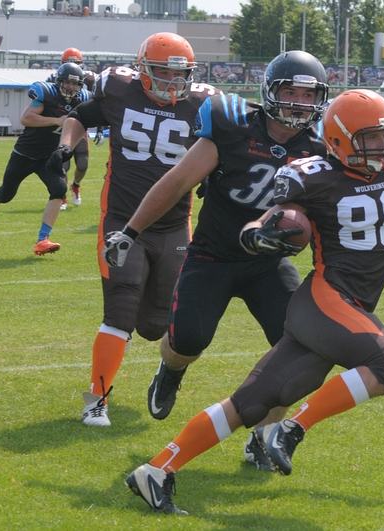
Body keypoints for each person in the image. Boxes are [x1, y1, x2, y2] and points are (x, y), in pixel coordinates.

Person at [124, 88, 384, 514]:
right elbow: (275, 216)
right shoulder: (314, 175)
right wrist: (255, 235)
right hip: (326, 301)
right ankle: (289, 429)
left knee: (251, 402)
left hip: (347, 305)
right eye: (371, 137)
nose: (383, 144)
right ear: (339, 140)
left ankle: (156, 470)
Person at [102, 50, 330, 468]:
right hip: (213, 255)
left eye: (308, 94)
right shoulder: (233, 126)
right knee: (187, 340)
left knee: (296, 349)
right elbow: (177, 181)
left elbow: (333, 211)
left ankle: (263, 436)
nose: (299, 102)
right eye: (290, 92)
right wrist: (131, 231)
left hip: (268, 264)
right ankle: (171, 370)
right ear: (270, 91)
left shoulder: (320, 147)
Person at [47, 32, 216, 427]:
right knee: (120, 309)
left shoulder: (203, 103)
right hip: (121, 220)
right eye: (163, 72)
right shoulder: (119, 90)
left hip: (173, 226)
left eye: (180, 74)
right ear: (142, 69)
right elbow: (80, 116)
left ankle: (165, 371)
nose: (172, 82)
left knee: (156, 326)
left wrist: (214, 176)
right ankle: (97, 400)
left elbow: (225, 146)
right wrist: (66, 145)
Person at [0, 63, 89, 255]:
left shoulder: (82, 100)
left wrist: (68, 146)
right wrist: (56, 121)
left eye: (75, 84)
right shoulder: (48, 94)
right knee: (6, 194)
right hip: (25, 154)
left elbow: (80, 128)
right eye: (67, 82)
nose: (71, 87)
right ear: (59, 81)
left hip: (49, 156)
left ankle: (43, 239)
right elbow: (26, 118)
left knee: (59, 190)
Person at [46, 47, 98, 210]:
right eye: (68, 62)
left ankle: (75, 185)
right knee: (63, 165)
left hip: (80, 127)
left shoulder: (90, 79)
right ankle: (61, 195)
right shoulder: (53, 78)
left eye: (75, 62)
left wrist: (100, 128)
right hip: (62, 128)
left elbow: (98, 104)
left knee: (82, 164)